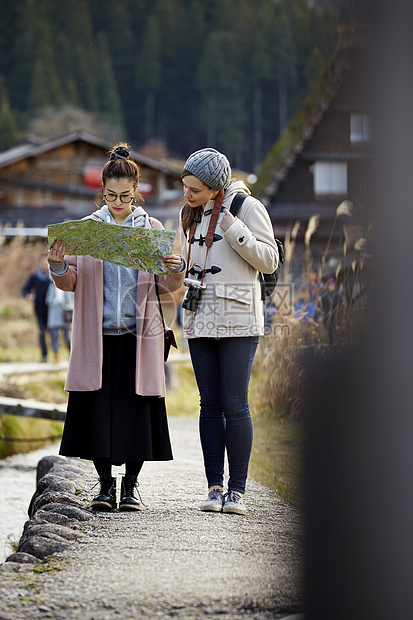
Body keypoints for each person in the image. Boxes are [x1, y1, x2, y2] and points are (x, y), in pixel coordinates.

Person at [47, 143, 185, 511]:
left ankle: (131, 488)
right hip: (98, 335)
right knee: (97, 413)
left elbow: (169, 289)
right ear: (102, 192)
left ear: (136, 192)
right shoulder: (86, 231)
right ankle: (105, 487)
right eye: (111, 195)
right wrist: (58, 265)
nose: (118, 201)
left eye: (125, 195)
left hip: (140, 336)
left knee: (138, 413)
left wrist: (174, 268)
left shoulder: (152, 229)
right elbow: (70, 281)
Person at [179, 148, 278, 515]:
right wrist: (177, 264)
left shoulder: (247, 207)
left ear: (216, 187)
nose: (187, 195)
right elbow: (191, 265)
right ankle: (213, 487)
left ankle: (237, 491)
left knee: (235, 404)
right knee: (209, 404)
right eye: (185, 187)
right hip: (199, 315)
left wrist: (235, 230)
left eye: (195, 189)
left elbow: (269, 260)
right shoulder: (187, 214)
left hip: (239, 319)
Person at [22, 255, 52, 362]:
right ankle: (44, 355)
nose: (45, 265)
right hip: (39, 309)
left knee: (54, 332)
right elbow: (25, 290)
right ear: (40, 264)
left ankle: (57, 354)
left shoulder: (53, 277)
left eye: (46, 263)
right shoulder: (35, 276)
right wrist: (28, 295)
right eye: (43, 263)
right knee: (42, 333)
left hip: (52, 310)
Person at [45, 283, 73, 363]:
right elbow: (47, 299)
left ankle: (71, 355)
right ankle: (56, 356)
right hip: (54, 314)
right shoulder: (51, 286)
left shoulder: (67, 284)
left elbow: (72, 300)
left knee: (67, 337)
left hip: (65, 315)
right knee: (54, 336)